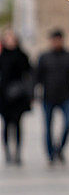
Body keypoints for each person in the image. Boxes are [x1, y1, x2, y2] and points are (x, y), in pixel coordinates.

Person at [35, 29, 69, 164]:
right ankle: (50, 154)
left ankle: (59, 148)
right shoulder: (44, 57)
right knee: (48, 127)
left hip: (66, 96)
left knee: (68, 123)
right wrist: (33, 93)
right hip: (48, 97)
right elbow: (37, 77)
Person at [0, 30, 33, 165]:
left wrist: (29, 93)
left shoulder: (22, 56)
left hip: (19, 95)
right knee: (6, 124)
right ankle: (7, 151)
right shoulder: (2, 56)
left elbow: (28, 74)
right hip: (4, 95)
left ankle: (18, 152)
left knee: (18, 124)